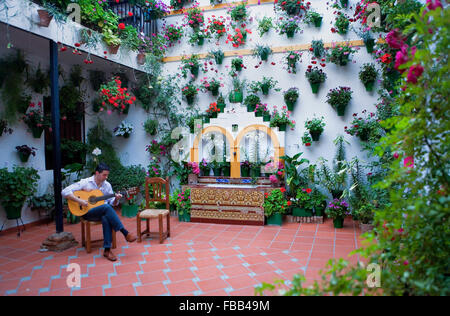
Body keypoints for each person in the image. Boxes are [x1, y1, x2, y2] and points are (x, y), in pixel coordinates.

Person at [61, 163, 136, 261]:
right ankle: (125, 232)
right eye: (104, 175)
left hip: (101, 211)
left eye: (107, 175)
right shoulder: (85, 182)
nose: (106, 177)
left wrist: (117, 199)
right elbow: (64, 191)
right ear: (97, 173)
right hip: (87, 212)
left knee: (106, 215)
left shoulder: (107, 185)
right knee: (106, 207)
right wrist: (80, 201)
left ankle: (107, 250)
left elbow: (112, 203)